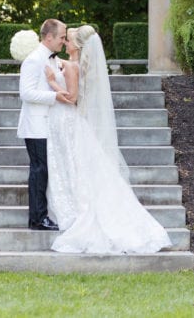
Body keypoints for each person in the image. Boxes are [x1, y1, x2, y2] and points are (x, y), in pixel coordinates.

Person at [42, 24, 172, 254]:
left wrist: (53, 82)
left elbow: (72, 98)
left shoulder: (72, 66)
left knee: (79, 169)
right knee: (85, 170)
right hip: (77, 124)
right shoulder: (76, 66)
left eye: (69, 40)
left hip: (72, 122)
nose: (65, 43)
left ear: (78, 47)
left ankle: (77, 210)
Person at [17, 18, 71, 232]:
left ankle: (41, 216)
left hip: (48, 125)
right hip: (36, 125)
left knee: (44, 171)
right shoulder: (33, 60)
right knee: (39, 171)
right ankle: (38, 218)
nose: (63, 41)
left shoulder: (50, 59)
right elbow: (26, 93)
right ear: (49, 37)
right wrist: (54, 96)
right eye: (61, 37)